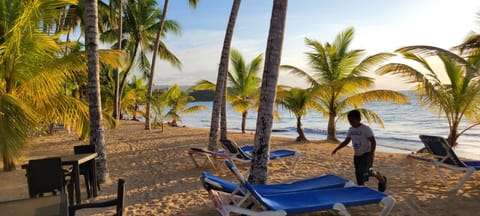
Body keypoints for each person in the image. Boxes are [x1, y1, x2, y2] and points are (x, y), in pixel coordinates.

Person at [331, 109, 387, 192]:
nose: (351, 122)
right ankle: (361, 189)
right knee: (359, 173)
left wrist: (371, 154)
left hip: (366, 154)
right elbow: (347, 141)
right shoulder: (351, 129)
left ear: (359, 119)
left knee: (365, 172)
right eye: (349, 121)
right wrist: (337, 148)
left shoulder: (365, 129)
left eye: (353, 120)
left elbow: (373, 142)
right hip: (357, 155)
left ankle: (382, 180)